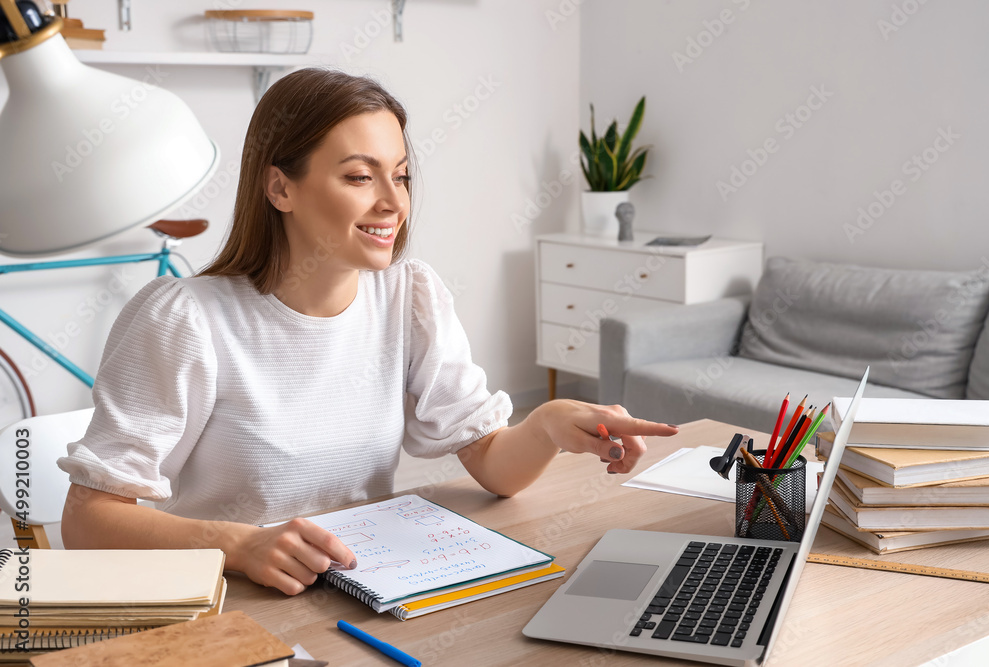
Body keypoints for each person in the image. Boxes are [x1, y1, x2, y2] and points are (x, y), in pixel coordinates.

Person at [58, 69, 679, 596]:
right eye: (360, 177)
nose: (393, 202)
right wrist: (238, 545)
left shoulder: (409, 297)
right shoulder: (185, 318)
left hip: (361, 594)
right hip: (232, 604)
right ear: (280, 187)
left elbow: (495, 468)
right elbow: (87, 526)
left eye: (401, 176)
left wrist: (546, 423)